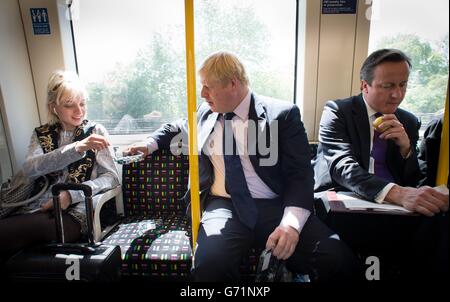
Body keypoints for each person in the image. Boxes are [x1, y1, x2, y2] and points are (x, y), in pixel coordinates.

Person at [126, 51, 358, 282]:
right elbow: (175, 127)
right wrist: (149, 144)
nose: (202, 94)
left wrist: (290, 225)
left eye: (208, 86)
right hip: (223, 205)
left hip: (274, 205)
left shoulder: (282, 115)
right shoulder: (205, 114)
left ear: (233, 83)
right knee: (210, 267)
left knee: (338, 258)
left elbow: (300, 176)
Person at [313, 48, 449, 278]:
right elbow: (343, 167)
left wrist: (406, 148)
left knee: (438, 227)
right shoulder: (338, 112)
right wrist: (398, 194)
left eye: (403, 85)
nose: (397, 94)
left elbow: (415, 179)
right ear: (364, 86)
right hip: (342, 200)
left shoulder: (408, 120)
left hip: (393, 209)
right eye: (388, 86)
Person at [0, 70, 119, 257]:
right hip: (34, 208)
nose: (79, 111)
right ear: (53, 107)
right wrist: (76, 149)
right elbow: (30, 168)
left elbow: (111, 178)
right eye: (69, 105)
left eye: (82, 103)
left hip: (75, 212)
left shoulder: (95, 131)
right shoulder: (41, 134)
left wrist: (70, 195)